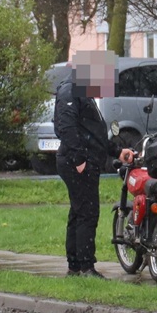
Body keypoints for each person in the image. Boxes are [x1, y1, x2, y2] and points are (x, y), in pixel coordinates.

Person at [54, 51, 134, 279]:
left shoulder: (80, 90)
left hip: (82, 159)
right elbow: (66, 127)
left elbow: (92, 132)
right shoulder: (71, 90)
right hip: (77, 162)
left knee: (79, 212)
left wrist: (118, 151)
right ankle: (85, 267)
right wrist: (79, 160)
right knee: (87, 213)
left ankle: (76, 266)